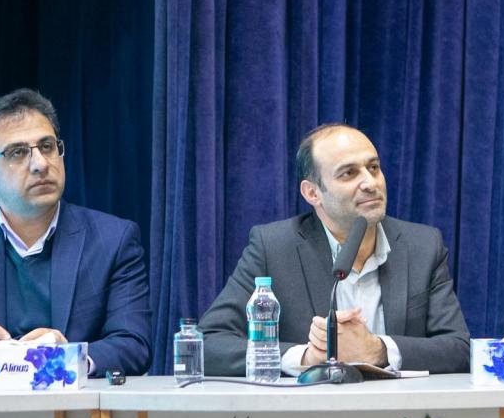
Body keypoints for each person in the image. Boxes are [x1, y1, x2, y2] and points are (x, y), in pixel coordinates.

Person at [0, 88, 152, 375]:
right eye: (18, 152)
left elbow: (134, 344)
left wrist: (68, 358)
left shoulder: (113, 240)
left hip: (73, 402)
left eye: (47, 146)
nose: (40, 164)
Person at [200, 123, 470, 376]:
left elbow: (459, 348)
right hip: (311, 409)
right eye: (348, 173)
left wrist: (378, 350)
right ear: (312, 193)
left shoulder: (423, 245)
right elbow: (209, 344)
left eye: (374, 167)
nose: (371, 183)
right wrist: (306, 356)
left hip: (400, 408)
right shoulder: (274, 247)